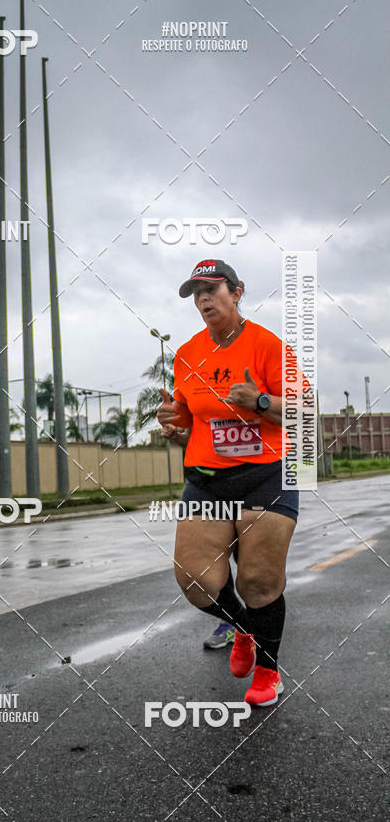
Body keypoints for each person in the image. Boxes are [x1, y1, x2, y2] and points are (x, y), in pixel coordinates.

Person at [157, 259, 302, 707]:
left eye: (212, 289)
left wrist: (260, 401)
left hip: (268, 473)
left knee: (258, 580)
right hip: (206, 477)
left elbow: (306, 412)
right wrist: (173, 420)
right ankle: (243, 627)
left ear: (237, 292)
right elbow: (187, 412)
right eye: (195, 292)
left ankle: (268, 670)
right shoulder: (187, 353)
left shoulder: (269, 347)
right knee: (196, 582)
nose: (203, 298)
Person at [161, 423, 235, 651]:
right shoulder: (193, 389)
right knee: (207, 564)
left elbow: (297, 411)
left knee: (255, 573)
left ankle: (260, 622)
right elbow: (201, 434)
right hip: (208, 479)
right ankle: (236, 622)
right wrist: (183, 438)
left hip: (262, 477)